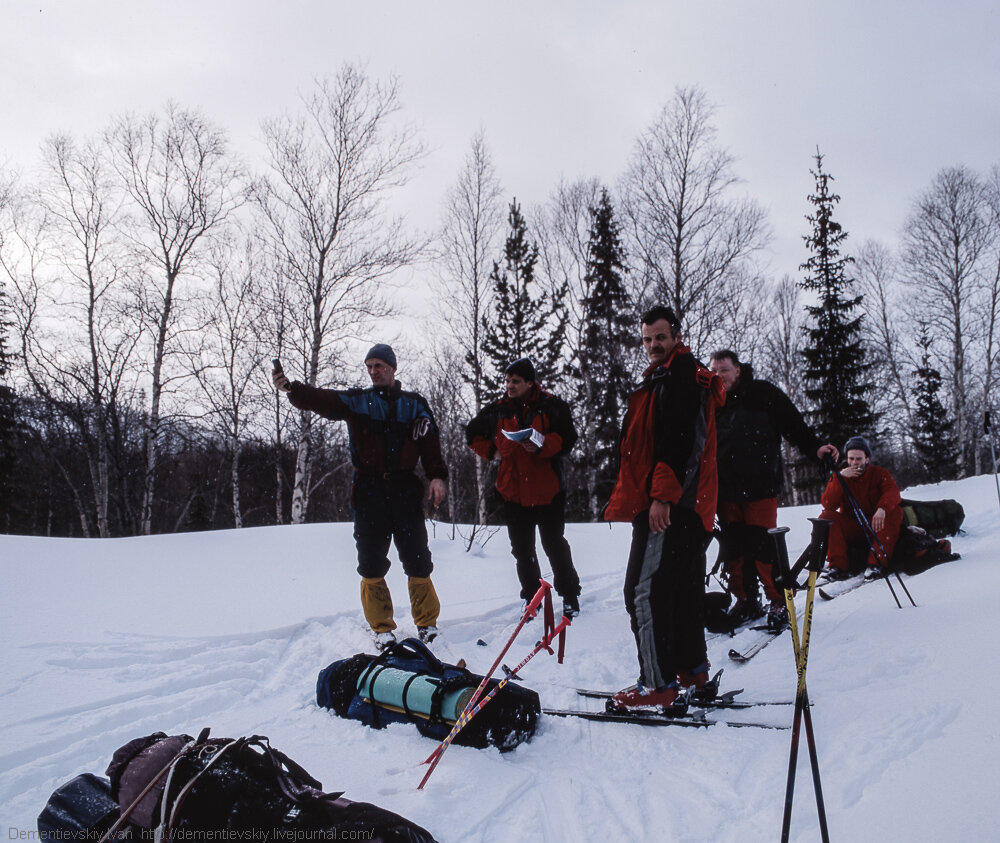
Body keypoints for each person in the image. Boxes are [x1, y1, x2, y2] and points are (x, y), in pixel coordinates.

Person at [273, 344, 448, 651]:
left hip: (406, 491)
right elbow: (322, 399)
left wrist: (437, 476)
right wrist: (292, 389)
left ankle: (427, 624)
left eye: (379, 365)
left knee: (418, 560)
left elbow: (431, 445)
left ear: (393, 368)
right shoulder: (359, 401)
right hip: (368, 492)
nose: (373, 371)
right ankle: (381, 628)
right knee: (370, 563)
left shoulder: (415, 405)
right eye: (369, 366)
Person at [604, 306, 725, 711]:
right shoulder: (667, 377)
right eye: (647, 339)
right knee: (681, 590)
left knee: (642, 591)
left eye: (660, 337)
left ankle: (657, 684)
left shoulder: (680, 376)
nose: (653, 345)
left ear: (675, 336)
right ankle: (692, 671)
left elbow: (678, 443)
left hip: (672, 506)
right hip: (687, 507)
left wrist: (661, 497)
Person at [708, 350, 838, 631]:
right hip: (726, 490)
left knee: (766, 547)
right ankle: (745, 600)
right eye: (714, 371)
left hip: (760, 486)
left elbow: (794, 425)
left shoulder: (763, 394)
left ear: (738, 370)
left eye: (724, 370)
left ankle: (779, 599)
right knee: (733, 549)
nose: (719, 376)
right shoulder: (711, 400)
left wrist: (816, 448)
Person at [466, 358, 582, 618]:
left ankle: (570, 595)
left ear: (530, 382)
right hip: (513, 492)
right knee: (522, 550)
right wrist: (493, 451)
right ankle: (532, 598)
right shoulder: (497, 410)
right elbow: (471, 434)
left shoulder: (552, 406)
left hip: (548, 490)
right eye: (507, 381)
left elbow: (569, 438)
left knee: (554, 545)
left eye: (515, 381)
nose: (510, 386)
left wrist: (543, 444)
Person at [819, 435, 903, 580]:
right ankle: (837, 567)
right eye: (851, 459)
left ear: (867, 459)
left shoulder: (879, 473)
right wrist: (839, 478)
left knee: (895, 511)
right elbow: (828, 504)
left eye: (859, 459)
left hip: (877, 526)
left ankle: (875, 564)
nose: (855, 462)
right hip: (854, 527)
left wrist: (882, 508)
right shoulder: (841, 476)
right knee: (826, 517)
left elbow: (893, 492)